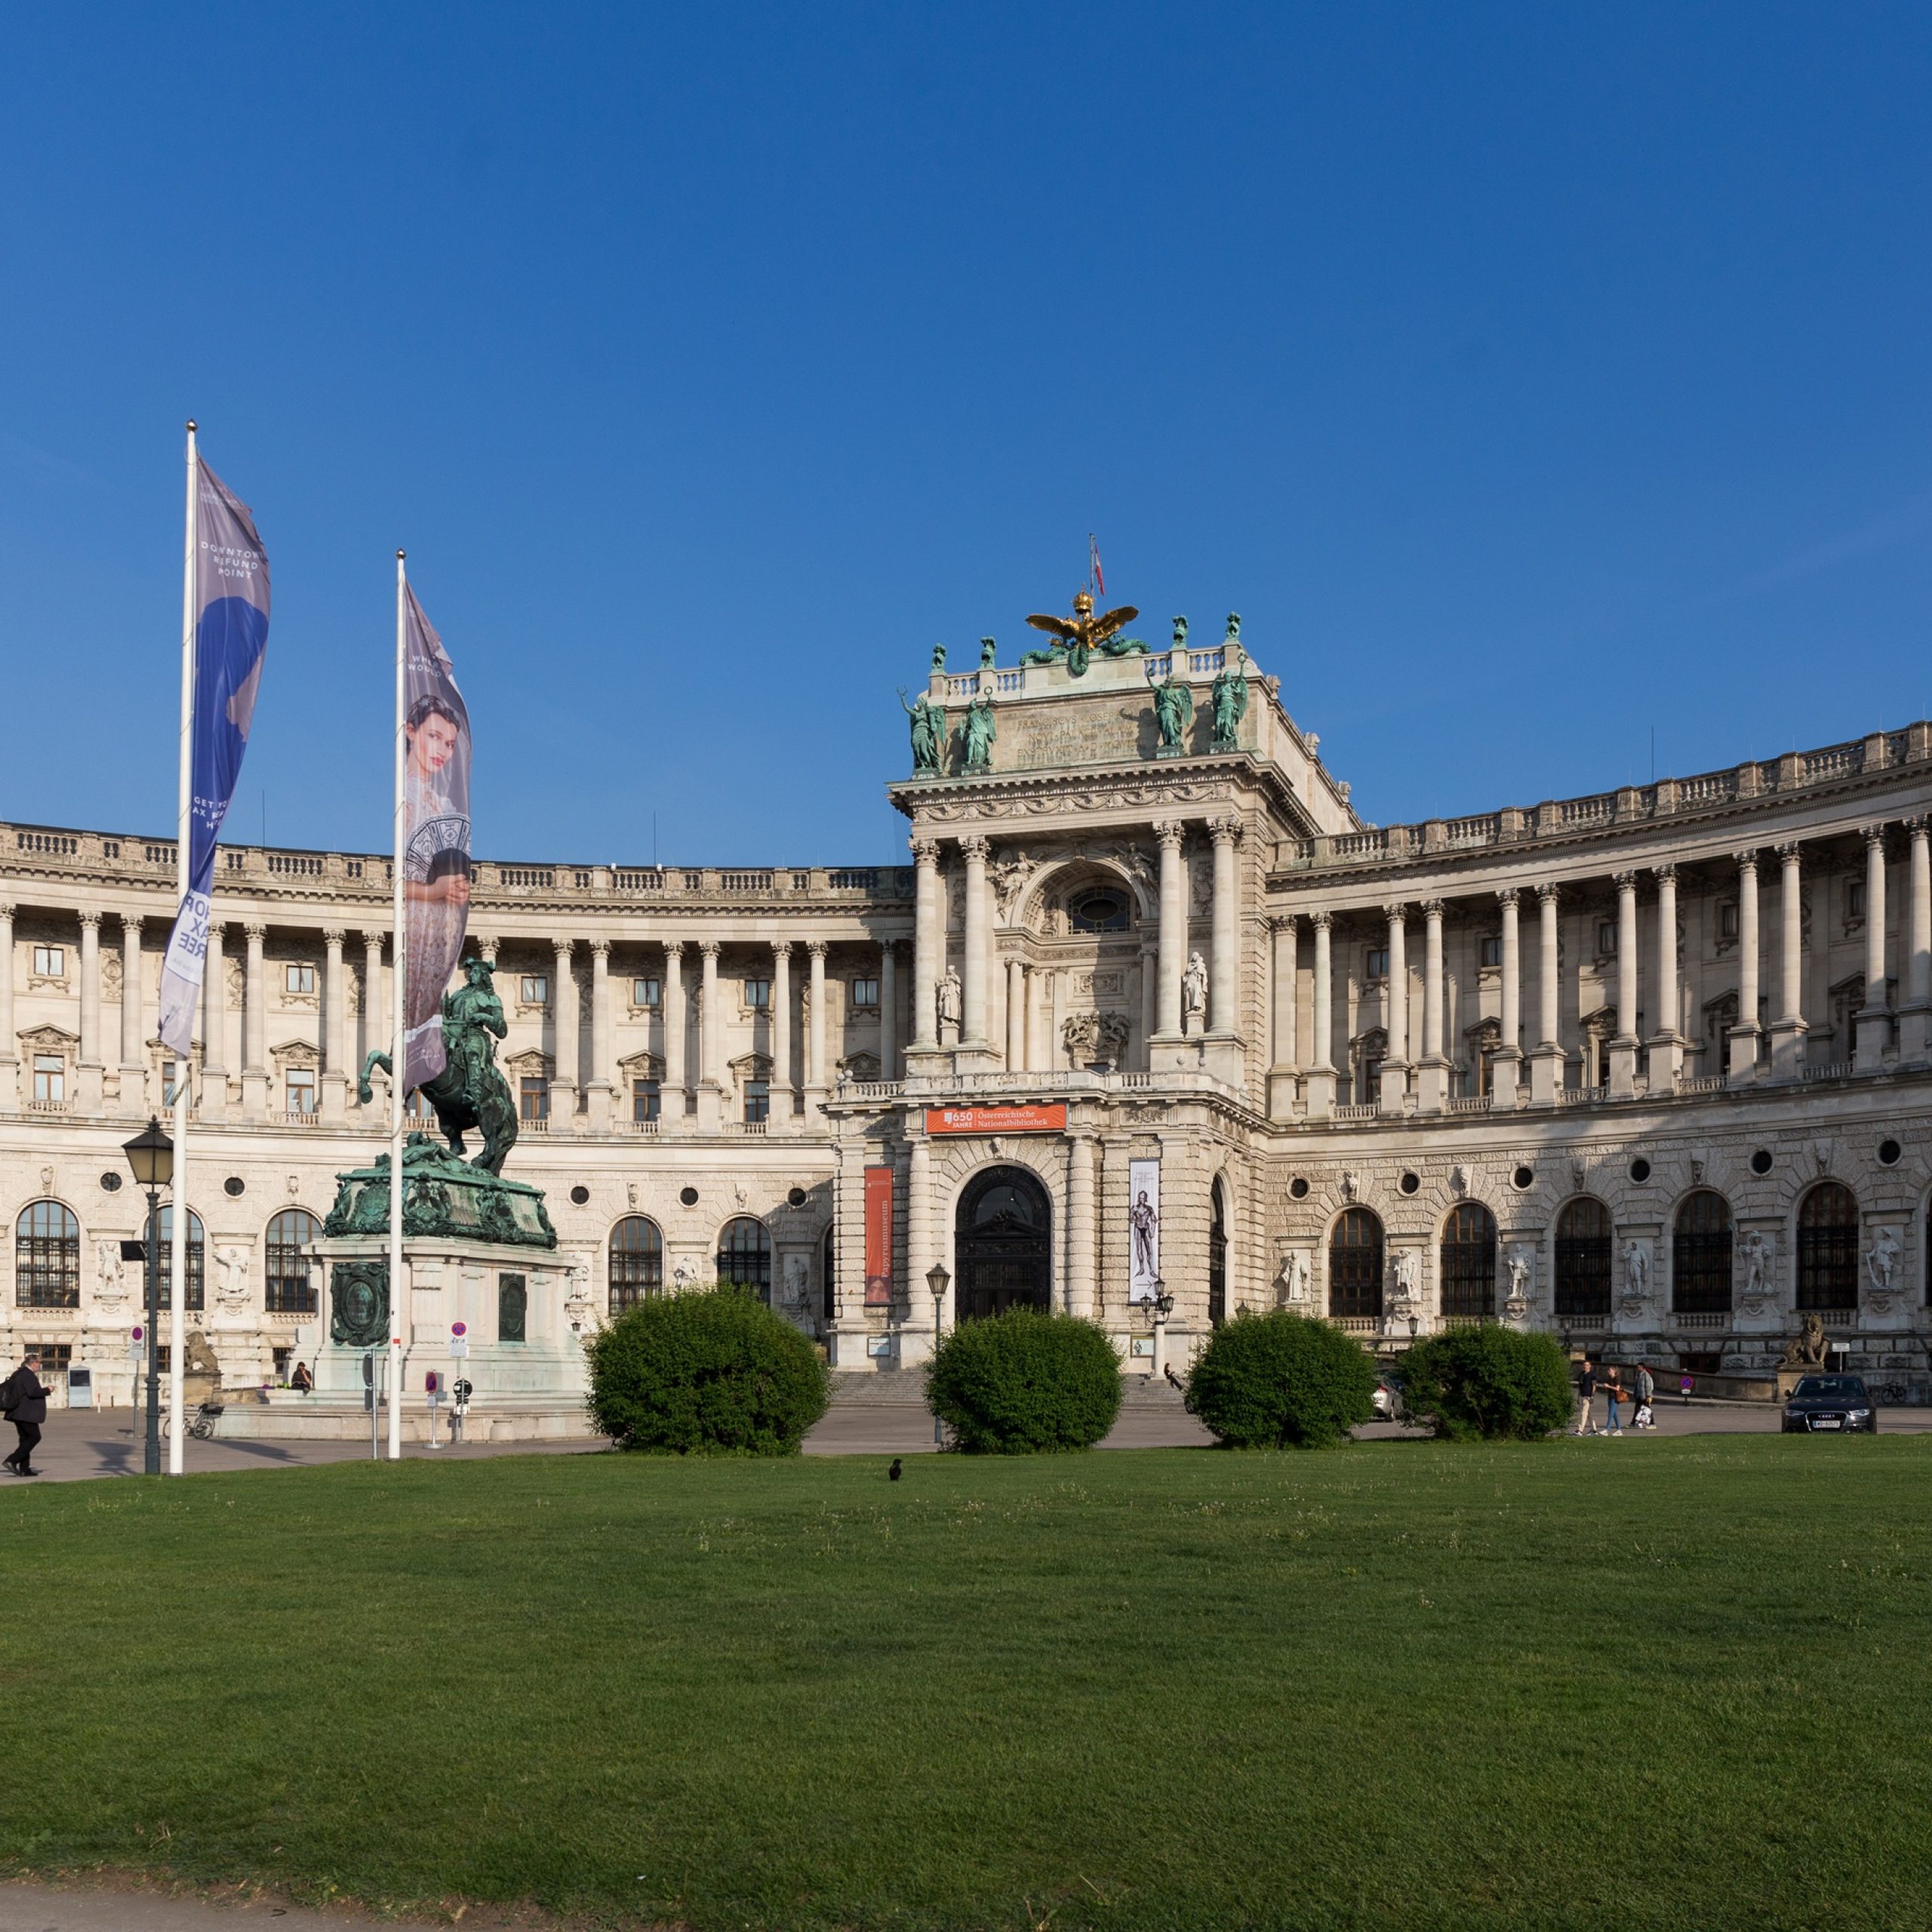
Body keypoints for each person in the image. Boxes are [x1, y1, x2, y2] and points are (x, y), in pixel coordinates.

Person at [2, 1350, 48, 1477]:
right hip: (25, 1413)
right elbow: (33, 1392)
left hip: (18, 1412)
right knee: (34, 1437)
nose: (40, 1365)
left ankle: (24, 1468)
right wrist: (48, 1390)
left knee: (25, 1440)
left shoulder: (19, 1373)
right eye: (39, 1363)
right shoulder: (27, 1374)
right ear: (33, 1363)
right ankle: (12, 1460)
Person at [1573, 1358, 1598, 1436]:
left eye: (1587, 1365)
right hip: (1582, 1396)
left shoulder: (1592, 1375)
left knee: (1583, 1413)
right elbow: (1580, 1386)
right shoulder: (1582, 1374)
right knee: (1588, 1414)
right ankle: (1594, 1430)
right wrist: (1578, 1396)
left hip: (1587, 1397)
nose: (1586, 1367)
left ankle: (1580, 1430)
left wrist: (1592, 1396)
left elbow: (1594, 1386)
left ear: (1590, 1366)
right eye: (1584, 1365)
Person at [1633, 1361, 1656, 1431]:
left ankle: (1652, 1423)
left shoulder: (1646, 1375)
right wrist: (1635, 1393)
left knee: (1648, 1410)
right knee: (1637, 1409)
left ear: (1642, 1367)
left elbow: (1648, 1386)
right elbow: (1637, 1386)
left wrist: (1648, 1396)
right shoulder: (1639, 1375)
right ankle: (1634, 1423)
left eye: (1639, 1367)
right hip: (1639, 1395)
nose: (1637, 1368)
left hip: (1645, 1396)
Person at [1601, 1371, 1625, 1435]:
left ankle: (1607, 1430)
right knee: (1614, 1414)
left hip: (1615, 1398)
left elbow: (1617, 1389)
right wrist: (1605, 1386)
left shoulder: (1617, 1378)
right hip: (1610, 1397)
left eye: (1610, 1370)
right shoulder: (1609, 1378)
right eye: (1608, 1370)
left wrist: (1608, 1386)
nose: (1608, 1371)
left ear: (1614, 1371)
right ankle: (1619, 1430)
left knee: (1610, 1414)